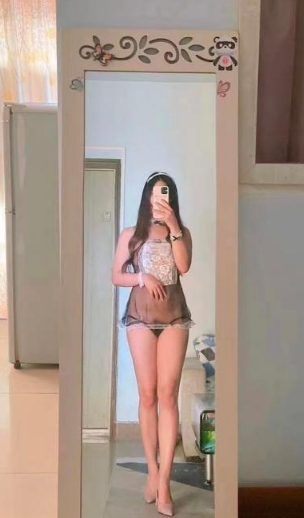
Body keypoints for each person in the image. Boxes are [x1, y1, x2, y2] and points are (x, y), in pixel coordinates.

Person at [112, 171, 194, 516]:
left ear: (172, 198)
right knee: (147, 394)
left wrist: (174, 226)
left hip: (174, 318)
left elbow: (184, 266)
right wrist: (142, 277)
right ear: (147, 196)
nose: (161, 197)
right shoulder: (130, 235)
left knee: (168, 394)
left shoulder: (181, 232)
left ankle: (164, 483)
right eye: (157, 192)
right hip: (140, 319)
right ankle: (152, 469)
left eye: (167, 192)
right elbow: (116, 275)